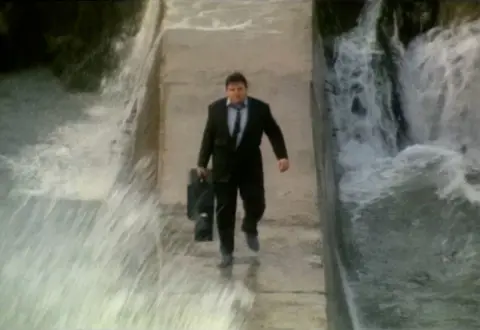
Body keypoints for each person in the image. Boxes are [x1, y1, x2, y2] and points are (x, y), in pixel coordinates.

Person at [196, 71, 289, 268]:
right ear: (226, 91)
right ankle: (227, 252)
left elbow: (273, 132)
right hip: (223, 168)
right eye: (232, 89)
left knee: (257, 202)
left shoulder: (260, 109)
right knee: (224, 212)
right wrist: (202, 163)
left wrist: (281, 156)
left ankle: (250, 226)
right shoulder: (215, 110)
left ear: (246, 89)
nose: (237, 93)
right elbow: (208, 137)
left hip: (250, 166)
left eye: (240, 89)